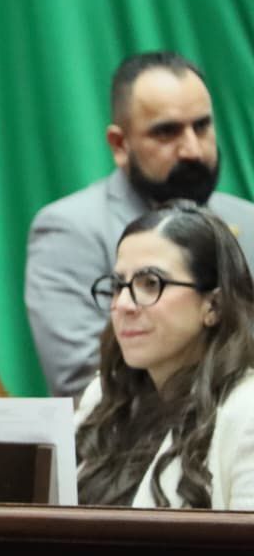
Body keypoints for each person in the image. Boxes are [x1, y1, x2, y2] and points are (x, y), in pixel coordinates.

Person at [26, 51, 254, 398]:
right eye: (167, 132)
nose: (192, 149)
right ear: (120, 144)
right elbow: (84, 379)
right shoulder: (71, 230)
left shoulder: (247, 221)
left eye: (202, 126)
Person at [76, 200, 254, 509]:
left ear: (213, 306)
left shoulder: (246, 412)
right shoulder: (104, 397)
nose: (124, 305)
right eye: (119, 285)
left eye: (150, 283)